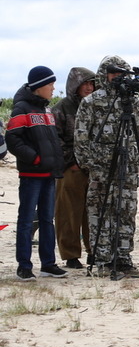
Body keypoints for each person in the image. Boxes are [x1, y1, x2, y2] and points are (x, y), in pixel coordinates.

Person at [74, 56, 139, 276]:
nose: (118, 78)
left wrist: (136, 160)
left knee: (127, 211)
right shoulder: (92, 101)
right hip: (101, 170)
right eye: (114, 73)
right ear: (104, 75)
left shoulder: (135, 102)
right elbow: (81, 138)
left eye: (122, 74)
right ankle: (103, 261)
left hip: (128, 169)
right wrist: (92, 165)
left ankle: (124, 258)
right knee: (100, 213)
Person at [8, 66, 67, 280]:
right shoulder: (21, 109)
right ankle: (24, 266)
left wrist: (53, 163)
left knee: (46, 220)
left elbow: (52, 141)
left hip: (49, 175)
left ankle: (48, 264)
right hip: (31, 176)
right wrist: (35, 159)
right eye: (50, 84)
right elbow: (13, 140)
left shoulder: (46, 110)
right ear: (39, 86)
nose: (53, 88)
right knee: (25, 220)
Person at [52, 66, 95, 269]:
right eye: (84, 83)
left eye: (91, 83)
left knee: (93, 212)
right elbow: (55, 140)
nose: (88, 87)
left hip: (93, 168)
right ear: (74, 85)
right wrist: (73, 162)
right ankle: (70, 255)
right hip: (71, 168)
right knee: (68, 212)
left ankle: (94, 251)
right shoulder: (61, 107)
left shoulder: (97, 105)